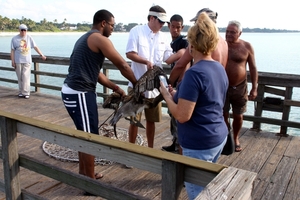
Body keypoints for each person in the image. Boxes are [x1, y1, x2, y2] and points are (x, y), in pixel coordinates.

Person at [61, 9, 137, 187]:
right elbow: (123, 65)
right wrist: (137, 84)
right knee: (90, 136)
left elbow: (96, 73)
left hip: (75, 92)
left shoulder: (87, 38)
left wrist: (116, 87)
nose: (113, 29)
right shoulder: (99, 39)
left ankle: (85, 173)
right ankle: (89, 183)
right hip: (78, 93)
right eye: (112, 25)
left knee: (84, 132)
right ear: (103, 23)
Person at [159, 12, 229, 199]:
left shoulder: (194, 73)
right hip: (218, 136)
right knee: (207, 185)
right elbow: (207, 99)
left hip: (199, 143)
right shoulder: (219, 68)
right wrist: (177, 95)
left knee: (197, 193)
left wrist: (166, 95)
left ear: (191, 44)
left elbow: (182, 116)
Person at [126, 5, 184, 148]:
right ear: (151, 18)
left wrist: (181, 54)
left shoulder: (163, 37)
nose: (163, 25)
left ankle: (150, 149)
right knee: (134, 120)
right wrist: (145, 61)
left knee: (151, 120)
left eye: (164, 22)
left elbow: (168, 58)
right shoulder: (136, 31)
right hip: (137, 86)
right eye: (160, 21)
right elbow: (129, 53)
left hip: (154, 89)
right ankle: (131, 150)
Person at [168, 8, 228, 86]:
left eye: (197, 22)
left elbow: (180, 65)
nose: (195, 25)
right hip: (219, 86)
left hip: (203, 85)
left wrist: (169, 84)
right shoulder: (224, 43)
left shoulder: (201, 41)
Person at [223, 20, 258, 152]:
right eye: (227, 31)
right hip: (223, 86)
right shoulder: (221, 45)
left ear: (240, 33)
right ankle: (226, 137)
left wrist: (255, 88)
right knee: (223, 114)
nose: (229, 34)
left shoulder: (246, 46)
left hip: (240, 87)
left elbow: (253, 68)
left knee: (239, 115)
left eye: (233, 32)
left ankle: (236, 137)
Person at [162, 14, 189, 153]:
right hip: (173, 81)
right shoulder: (169, 42)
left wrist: (180, 81)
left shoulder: (184, 42)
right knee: (173, 114)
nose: (175, 30)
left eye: (178, 27)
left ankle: (180, 146)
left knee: (178, 115)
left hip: (180, 83)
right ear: (169, 26)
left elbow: (186, 62)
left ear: (182, 27)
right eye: (173, 26)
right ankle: (175, 142)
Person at [11, 24, 47, 99]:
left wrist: (41, 55)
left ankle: (26, 92)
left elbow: (35, 47)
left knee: (26, 76)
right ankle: (21, 91)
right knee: (20, 77)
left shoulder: (29, 37)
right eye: (22, 30)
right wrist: (12, 61)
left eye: (25, 30)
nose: (23, 31)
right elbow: (12, 51)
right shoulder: (14, 39)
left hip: (27, 61)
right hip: (18, 61)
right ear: (19, 30)